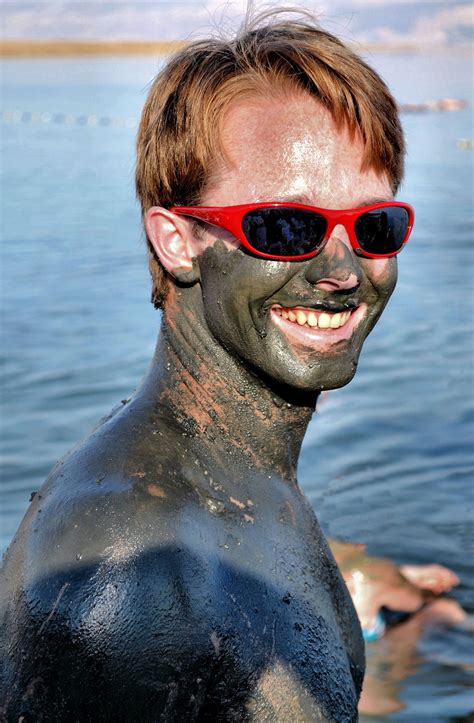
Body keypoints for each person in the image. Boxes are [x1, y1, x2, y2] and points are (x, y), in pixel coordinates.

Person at [1, 13, 418, 721]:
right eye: (287, 228)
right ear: (178, 241)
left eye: (373, 225)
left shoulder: (239, 477)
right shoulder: (137, 569)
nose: (343, 271)